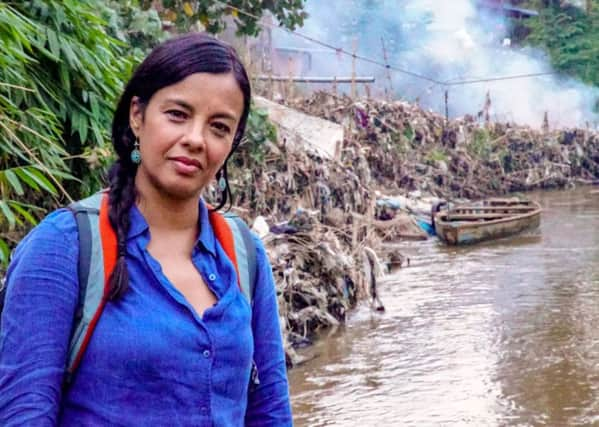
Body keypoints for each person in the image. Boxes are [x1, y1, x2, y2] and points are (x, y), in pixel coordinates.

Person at [0, 33, 292, 426]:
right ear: (137, 116)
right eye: (177, 114)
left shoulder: (243, 254)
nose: (195, 139)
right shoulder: (65, 247)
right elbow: (23, 413)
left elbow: (270, 411)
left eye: (219, 127)